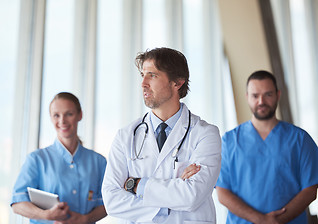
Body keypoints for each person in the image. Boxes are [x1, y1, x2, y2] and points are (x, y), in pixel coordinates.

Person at [102, 47, 222, 224]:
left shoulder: (206, 134)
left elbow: (192, 195)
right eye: (143, 75)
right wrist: (172, 196)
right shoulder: (126, 136)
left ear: (177, 82)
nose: (143, 83)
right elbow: (111, 200)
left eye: (152, 75)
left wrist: (136, 185)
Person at [216, 70, 318, 224]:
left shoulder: (300, 139)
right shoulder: (229, 141)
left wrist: (278, 220)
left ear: (278, 95)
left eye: (268, 94)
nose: (261, 101)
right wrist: (261, 220)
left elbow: (310, 190)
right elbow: (222, 192)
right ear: (247, 97)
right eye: (255, 96)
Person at [11, 92, 107, 224]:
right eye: (56, 115)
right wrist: (46, 215)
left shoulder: (99, 162)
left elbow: (109, 202)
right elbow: (17, 203)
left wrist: (85, 219)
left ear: (80, 115)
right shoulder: (36, 159)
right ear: (51, 118)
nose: (62, 121)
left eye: (69, 114)